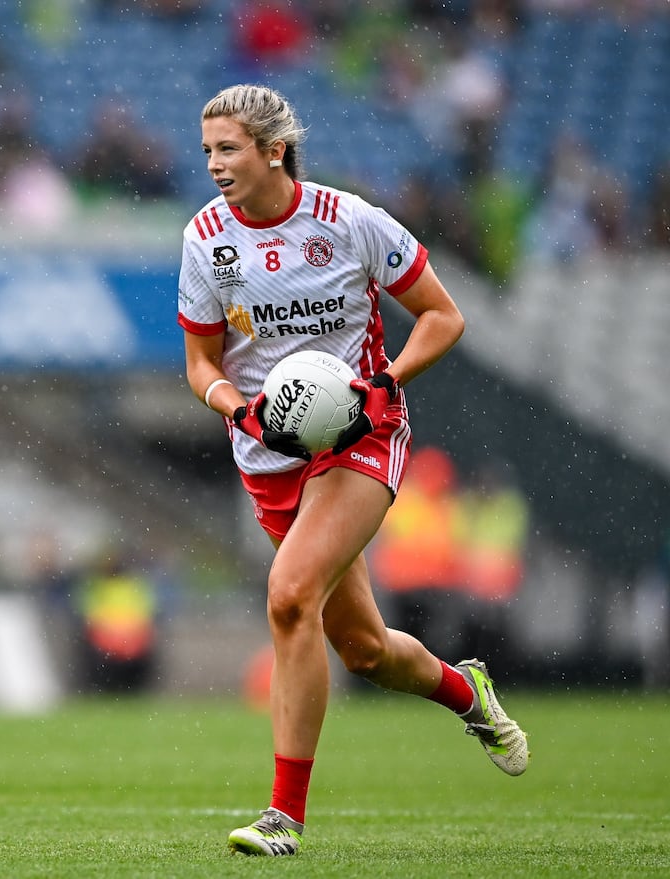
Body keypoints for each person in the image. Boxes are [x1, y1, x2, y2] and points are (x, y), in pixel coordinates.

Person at [177, 83, 529, 858]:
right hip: (269, 453)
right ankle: (468, 692)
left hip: (360, 436)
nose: (214, 165)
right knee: (364, 649)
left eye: (228, 148)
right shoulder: (206, 239)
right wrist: (238, 408)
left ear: (274, 150)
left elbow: (444, 315)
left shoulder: (349, 221)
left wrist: (387, 382)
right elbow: (200, 363)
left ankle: (283, 818)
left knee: (289, 595)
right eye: (207, 151)